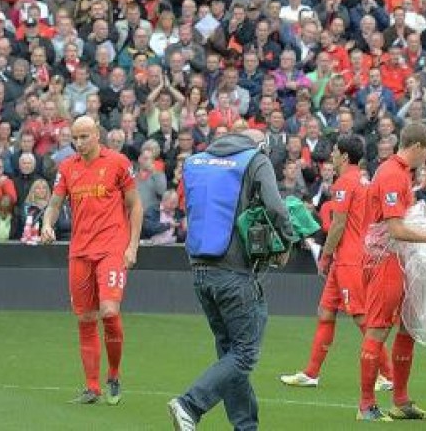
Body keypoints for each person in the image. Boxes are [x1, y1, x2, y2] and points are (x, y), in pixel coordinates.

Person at [167, 128, 294, 431]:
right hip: (234, 272)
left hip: (199, 270)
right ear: (260, 144)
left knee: (230, 352)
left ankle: (245, 426)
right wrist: (287, 241)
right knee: (245, 353)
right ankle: (190, 404)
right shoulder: (255, 159)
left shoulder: (197, 161)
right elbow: (276, 207)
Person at [41, 116, 144, 405]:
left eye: (84, 136)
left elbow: (135, 204)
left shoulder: (118, 163)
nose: (79, 143)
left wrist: (132, 246)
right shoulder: (67, 168)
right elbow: (54, 204)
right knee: (86, 319)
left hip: (112, 248)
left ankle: (113, 373)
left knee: (109, 312)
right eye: (75, 138)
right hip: (80, 251)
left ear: (97, 134)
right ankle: (92, 387)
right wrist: (47, 224)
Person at [280, 134, 393, 390]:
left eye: (334, 151)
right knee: (326, 312)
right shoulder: (364, 179)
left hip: (348, 259)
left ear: (343, 156)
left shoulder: (345, 182)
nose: (330, 154)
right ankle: (311, 373)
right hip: (353, 254)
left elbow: (338, 224)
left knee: (361, 316)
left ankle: (388, 374)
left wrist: (326, 255)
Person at [357, 122, 426, 422]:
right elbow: (395, 228)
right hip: (385, 260)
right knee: (378, 328)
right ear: (418, 146)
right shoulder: (394, 174)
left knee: (408, 326)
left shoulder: (398, 173)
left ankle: (401, 401)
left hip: (397, 258)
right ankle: (366, 405)